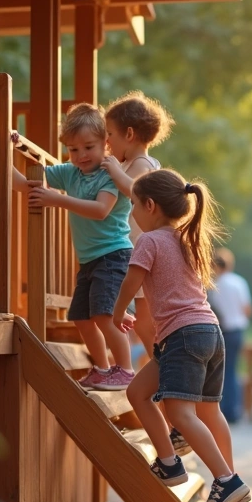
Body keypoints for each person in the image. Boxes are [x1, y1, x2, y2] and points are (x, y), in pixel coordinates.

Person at [116, 168, 249, 502]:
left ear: (150, 205)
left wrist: (117, 313)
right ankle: (170, 463)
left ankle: (227, 480)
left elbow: (132, 281)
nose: (131, 213)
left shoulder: (150, 240)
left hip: (183, 336)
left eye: (133, 205)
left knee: (179, 413)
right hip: (206, 333)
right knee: (138, 393)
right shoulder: (188, 238)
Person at [12, 104, 133, 391]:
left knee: (103, 315)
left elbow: (101, 210)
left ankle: (125, 369)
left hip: (114, 255)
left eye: (88, 147)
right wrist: (4, 149)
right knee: (80, 316)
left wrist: (56, 199)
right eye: (72, 149)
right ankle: (103, 369)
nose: (80, 156)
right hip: (90, 259)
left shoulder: (110, 173)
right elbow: (24, 185)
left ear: (106, 142)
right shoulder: (70, 173)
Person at [101, 90, 173, 357]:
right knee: (143, 324)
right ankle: (159, 365)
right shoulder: (132, 162)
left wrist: (115, 170)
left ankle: (162, 365)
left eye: (110, 133)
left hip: (142, 250)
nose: (106, 141)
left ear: (129, 135)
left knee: (145, 323)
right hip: (138, 250)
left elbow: (136, 191)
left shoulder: (141, 163)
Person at [208, 248, 252, 423]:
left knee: (219, 371)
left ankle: (223, 409)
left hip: (221, 330)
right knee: (234, 370)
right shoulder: (239, 282)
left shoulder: (214, 285)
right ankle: (234, 409)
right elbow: (247, 309)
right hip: (237, 330)